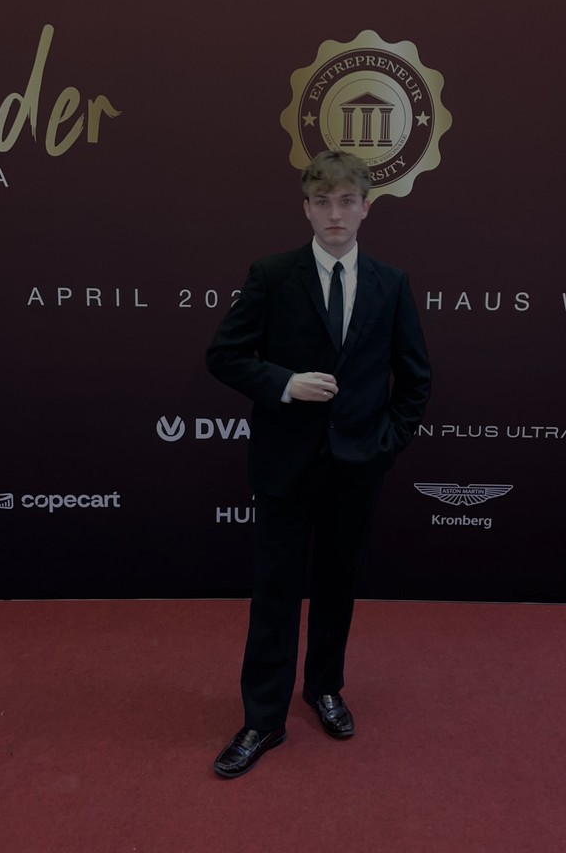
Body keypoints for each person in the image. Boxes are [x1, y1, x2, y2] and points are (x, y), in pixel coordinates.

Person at [205, 150, 431, 778]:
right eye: (323, 202)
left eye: (347, 201)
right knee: (275, 593)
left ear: (366, 208)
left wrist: (387, 443)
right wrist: (284, 383)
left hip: (357, 467)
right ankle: (263, 718)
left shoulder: (391, 283)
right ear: (306, 208)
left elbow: (415, 378)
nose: (336, 214)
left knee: (337, 587)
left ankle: (326, 688)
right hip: (285, 465)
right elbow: (224, 356)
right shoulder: (273, 275)